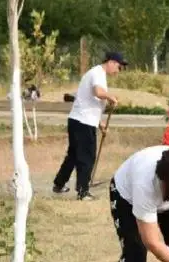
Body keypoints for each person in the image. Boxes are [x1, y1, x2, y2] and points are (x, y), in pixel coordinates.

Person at [52, 51, 125, 201]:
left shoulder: (97, 74)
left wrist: (100, 124)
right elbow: (97, 92)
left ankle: (59, 184)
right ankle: (83, 191)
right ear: (111, 62)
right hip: (82, 123)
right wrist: (110, 97)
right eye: (118, 67)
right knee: (86, 157)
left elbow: (89, 102)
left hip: (80, 120)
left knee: (73, 155)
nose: (118, 71)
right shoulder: (98, 72)